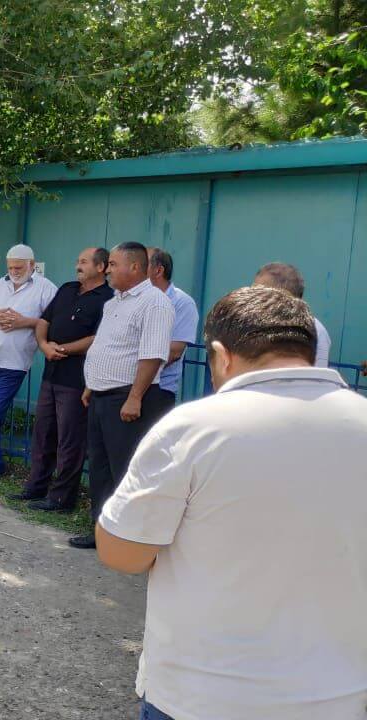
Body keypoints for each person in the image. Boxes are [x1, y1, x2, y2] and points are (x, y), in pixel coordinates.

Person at [97, 285, 367, 720]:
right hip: (341, 697)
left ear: (221, 355)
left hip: (204, 693)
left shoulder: (194, 428)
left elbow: (121, 551)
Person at [71, 241, 174, 550]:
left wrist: (135, 397)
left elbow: (153, 355)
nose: (108, 269)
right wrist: (92, 383)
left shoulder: (153, 303)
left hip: (126, 400)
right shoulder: (114, 302)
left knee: (125, 470)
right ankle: (102, 530)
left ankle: (130, 539)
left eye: (113, 264)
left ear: (135, 267)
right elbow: (106, 346)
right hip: (101, 396)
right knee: (100, 467)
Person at [10, 247, 113, 512]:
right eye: (77, 260)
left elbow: (97, 338)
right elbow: (45, 319)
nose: (77, 265)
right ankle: (36, 487)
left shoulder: (108, 299)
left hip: (76, 378)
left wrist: (64, 349)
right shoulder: (67, 288)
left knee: (70, 440)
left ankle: (61, 499)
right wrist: (44, 345)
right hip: (51, 374)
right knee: (43, 433)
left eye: (84, 261)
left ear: (101, 267)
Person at [0, 244, 57, 481]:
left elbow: (53, 322)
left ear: (32, 265)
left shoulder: (46, 289)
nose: (14, 271)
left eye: (19, 267)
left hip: (13, 362)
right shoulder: (1, 284)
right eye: (10, 267)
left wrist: (24, 321)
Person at [146, 248, 199, 403]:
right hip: (123, 386)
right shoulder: (134, 299)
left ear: (158, 270)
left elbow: (174, 352)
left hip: (158, 388)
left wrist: (136, 378)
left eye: (143, 263)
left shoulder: (182, 302)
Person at [253, 262, 331, 367]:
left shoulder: (314, 329)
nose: (251, 297)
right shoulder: (250, 322)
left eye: (257, 292)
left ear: (279, 297)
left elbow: (316, 377)